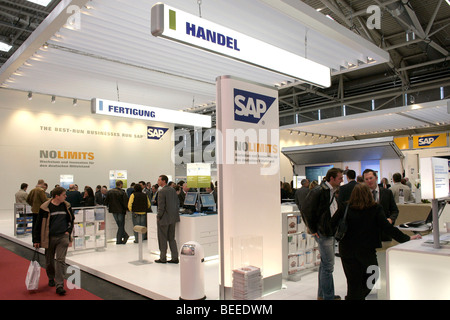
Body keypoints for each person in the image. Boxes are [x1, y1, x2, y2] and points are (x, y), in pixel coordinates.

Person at [331, 183, 422, 300]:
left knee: (353, 282)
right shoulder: (375, 209)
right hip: (366, 250)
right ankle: (355, 297)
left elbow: (331, 224)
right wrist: (407, 238)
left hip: (347, 250)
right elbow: (388, 228)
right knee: (373, 276)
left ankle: (354, 297)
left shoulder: (345, 207)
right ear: (368, 194)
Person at [301, 168, 344, 300]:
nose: (342, 180)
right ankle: (328, 297)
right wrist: (313, 229)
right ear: (331, 178)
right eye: (339, 178)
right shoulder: (319, 191)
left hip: (329, 231)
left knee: (325, 265)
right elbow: (305, 210)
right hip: (323, 232)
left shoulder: (330, 191)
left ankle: (322, 295)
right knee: (328, 267)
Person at [32, 186, 75, 296]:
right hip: (49, 237)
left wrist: (68, 232)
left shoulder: (66, 206)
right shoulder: (45, 208)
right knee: (49, 260)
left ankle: (59, 285)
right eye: (64, 195)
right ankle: (51, 277)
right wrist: (36, 239)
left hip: (63, 237)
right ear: (57, 196)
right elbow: (38, 224)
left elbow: (71, 219)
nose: (66, 196)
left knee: (60, 260)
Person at [363, 169, 398, 241]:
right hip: (368, 233)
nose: (369, 181)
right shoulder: (362, 194)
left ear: (376, 178)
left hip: (384, 232)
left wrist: (391, 219)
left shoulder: (387, 192)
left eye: (371, 178)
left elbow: (394, 210)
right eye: (366, 179)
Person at [155, 174, 180, 264]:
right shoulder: (173, 190)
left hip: (164, 219)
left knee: (162, 239)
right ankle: (175, 257)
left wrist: (158, 216)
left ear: (163, 181)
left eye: (159, 180)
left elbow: (161, 206)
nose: (158, 181)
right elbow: (176, 203)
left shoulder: (162, 191)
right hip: (173, 218)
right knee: (171, 238)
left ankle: (163, 258)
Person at [105, 180, 129, 244]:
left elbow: (106, 201)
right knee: (121, 225)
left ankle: (123, 237)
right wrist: (127, 209)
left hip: (113, 210)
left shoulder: (110, 192)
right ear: (121, 184)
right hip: (121, 210)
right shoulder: (122, 192)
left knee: (119, 225)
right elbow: (125, 202)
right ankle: (119, 239)